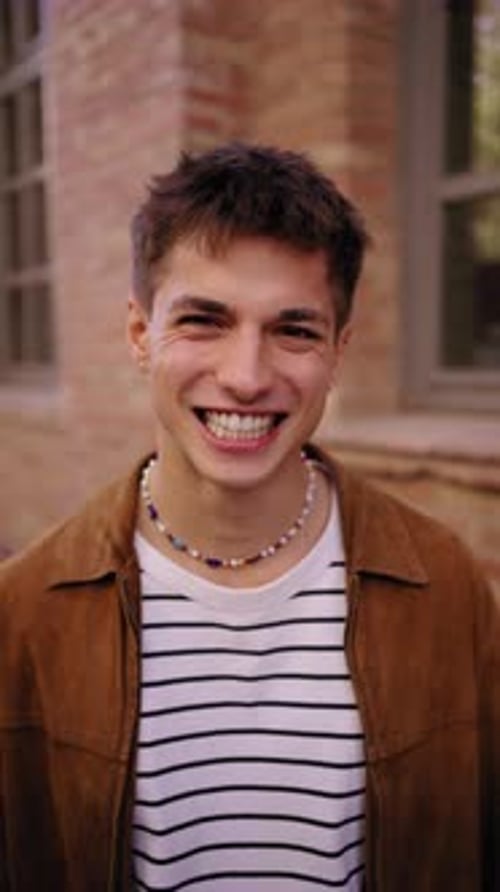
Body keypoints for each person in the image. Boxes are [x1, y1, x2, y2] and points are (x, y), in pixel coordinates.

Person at [0, 143, 498, 892]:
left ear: (337, 351)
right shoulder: (24, 611)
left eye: (294, 330)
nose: (246, 376)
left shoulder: (446, 584)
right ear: (140, 336)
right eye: (204, 320)